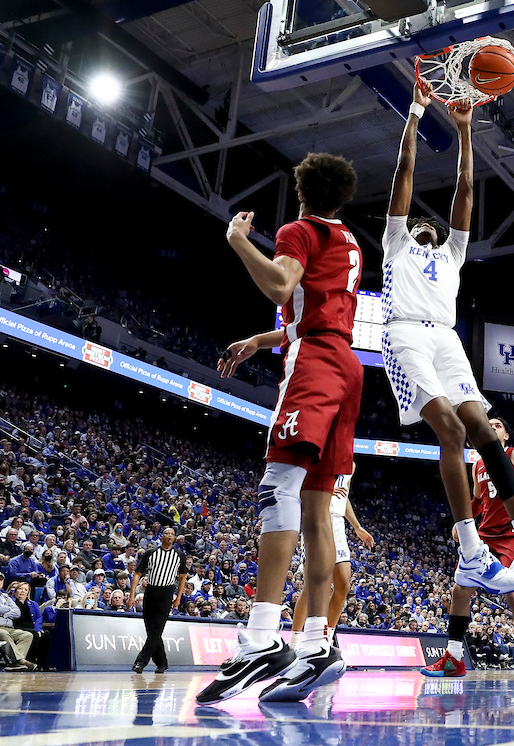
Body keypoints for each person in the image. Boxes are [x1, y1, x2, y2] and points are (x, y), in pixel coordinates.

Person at [380, 81, 514, 600]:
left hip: (446, 338)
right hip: (404, 334)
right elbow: (405, 173)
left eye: (428, 226)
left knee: (484, 433)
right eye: (416, 224)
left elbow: (465, 188)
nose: (423, 227)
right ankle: (470, 551)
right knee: (449, 432)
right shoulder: (395, 244)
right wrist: (416, 110)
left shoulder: (452, 253)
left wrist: (465, 129)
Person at [198, 151, 363, 705]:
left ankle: (262, 637)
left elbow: (279, 285)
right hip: (346, 365)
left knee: (278, 488)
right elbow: (311, 311)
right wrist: (261, 340)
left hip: (315, 362)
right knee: (319, 511)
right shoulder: (348, 240)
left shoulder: (299, 229)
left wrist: (238, 241)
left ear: (301, 192)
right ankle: (317, 644)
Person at [422, 417, 514, 681]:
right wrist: (462, 522)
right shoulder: (477, 464)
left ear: (506, 435)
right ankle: (453, 658)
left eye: (497, 425)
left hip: (512, 534)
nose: (491, 426)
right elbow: (477, 501)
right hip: (484, 533)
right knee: (460, 589)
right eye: (489, 424)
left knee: (512, 592)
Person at [287, 464, 373, 650]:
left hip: (337, 522)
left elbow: (344, 496)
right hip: (317, 516)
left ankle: (326, 640)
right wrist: (327, 490)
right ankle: (293, 642)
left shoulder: (350, 463)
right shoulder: (319, 455)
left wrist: (357, 526)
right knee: (313, 585)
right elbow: (299, 483)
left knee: (343, 584)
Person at [130, 527, 187, 674]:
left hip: (166, 593)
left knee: (156, 629)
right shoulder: (150, 553)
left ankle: (140, 662)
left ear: (175, 538)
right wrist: (131, 595)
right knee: (151, 630)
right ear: (162, 536)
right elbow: (137, 574)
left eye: (172, 534)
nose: (169, 536)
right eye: (166, 533)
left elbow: (182, 578)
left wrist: (178, 597)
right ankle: (162, 663)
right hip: (150, 591)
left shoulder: (180, 555)